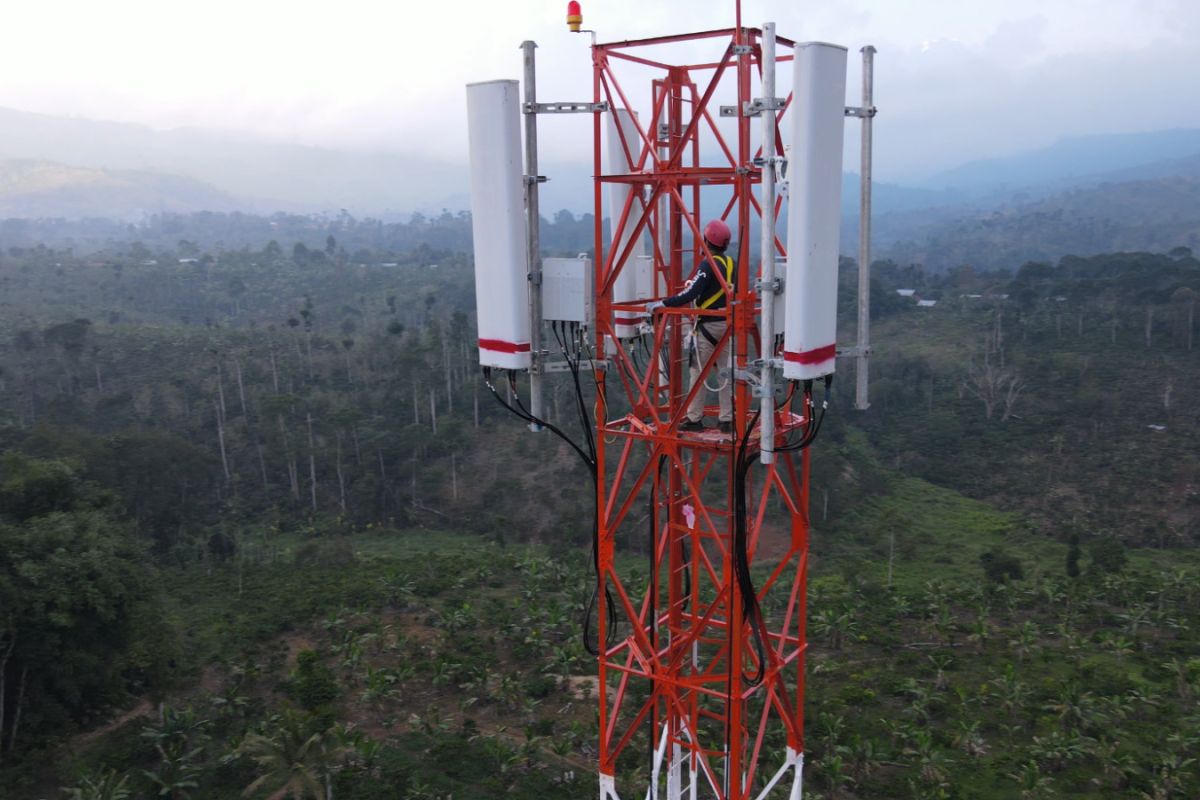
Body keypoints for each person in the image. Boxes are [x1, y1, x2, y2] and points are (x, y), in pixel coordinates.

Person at [646, 219, 735, 433]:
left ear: (706, 240)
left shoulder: (708, 264)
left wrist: (663, 304)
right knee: (726, 373)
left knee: (698, 373)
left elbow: (691, 293)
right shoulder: (730, 263)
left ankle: (694, 419)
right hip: (727, 325)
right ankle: (727, 419)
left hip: (708, 327)